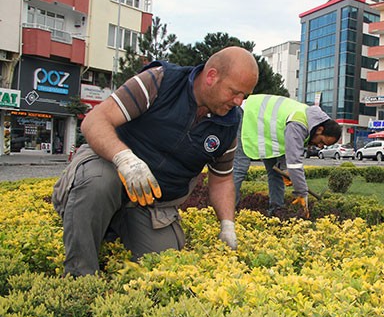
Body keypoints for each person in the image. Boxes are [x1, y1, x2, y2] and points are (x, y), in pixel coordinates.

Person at [52, 46, 259, 276]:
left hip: (151, 204)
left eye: (244, 96)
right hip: (111, 169)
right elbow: (94, 121)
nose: (239, 102)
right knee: (97, 183)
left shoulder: (229, 123)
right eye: (234, 92)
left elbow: (221, 179)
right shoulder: (160, 81)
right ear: (211, 76)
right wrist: (125, 159)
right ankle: (80, 277)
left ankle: (113, 227)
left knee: (163, 268)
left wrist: (227, 225)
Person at [233, 94, 341, 217]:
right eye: (322, 142)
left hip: (265, 128)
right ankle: (227, 212)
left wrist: (284, 169)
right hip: (249, 115)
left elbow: (286, 149)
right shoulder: (299, 124)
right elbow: (294, 161)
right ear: (320, 130)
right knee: (240, 167)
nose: (320, 147)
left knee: (276, 173)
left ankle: (276, 210)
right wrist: (302, 192)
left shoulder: (310, 122)